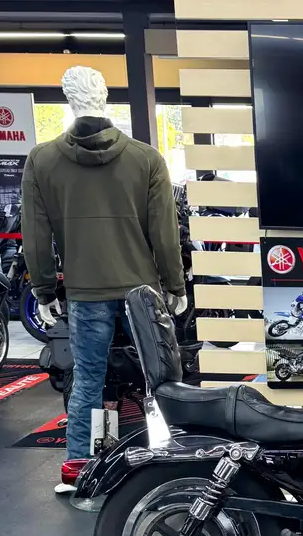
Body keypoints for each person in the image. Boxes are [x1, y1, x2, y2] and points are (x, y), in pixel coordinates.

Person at [22, 66, 187, 494]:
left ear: (68, 99)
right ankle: (176, 460)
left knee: (87, 381)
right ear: (106, 96)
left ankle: (78, 469)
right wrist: (174, 285)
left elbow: (35, 236)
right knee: (161, 380)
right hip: (142, 291)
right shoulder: (146, 159)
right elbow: (165, 233)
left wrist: (43, 289)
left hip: (85, 289)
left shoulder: (42, 161)